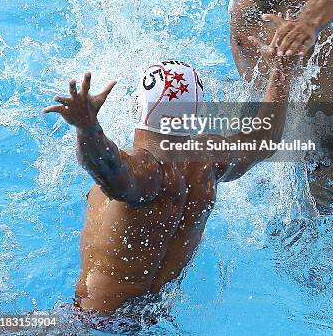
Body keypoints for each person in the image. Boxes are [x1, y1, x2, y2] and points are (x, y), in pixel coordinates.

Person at [42, 51, 296, 321]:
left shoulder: (148, 170)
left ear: (137, 104)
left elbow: (111, 172)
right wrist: (280, 75)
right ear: (197, 112)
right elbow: (263, 139)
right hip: (153, 319)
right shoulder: (209, 161)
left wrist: (88, 128)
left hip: (94, 321)